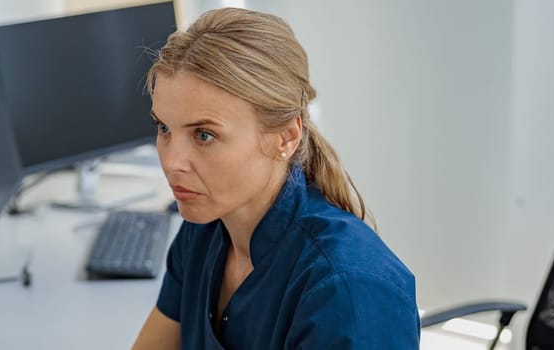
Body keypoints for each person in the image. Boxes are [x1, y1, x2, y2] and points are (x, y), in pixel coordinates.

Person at [132, 7, 419, 349]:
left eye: (204, 135)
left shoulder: (348, 291)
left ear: (286, 137)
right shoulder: (204, 230)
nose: (172, 162)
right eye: (164, 128)